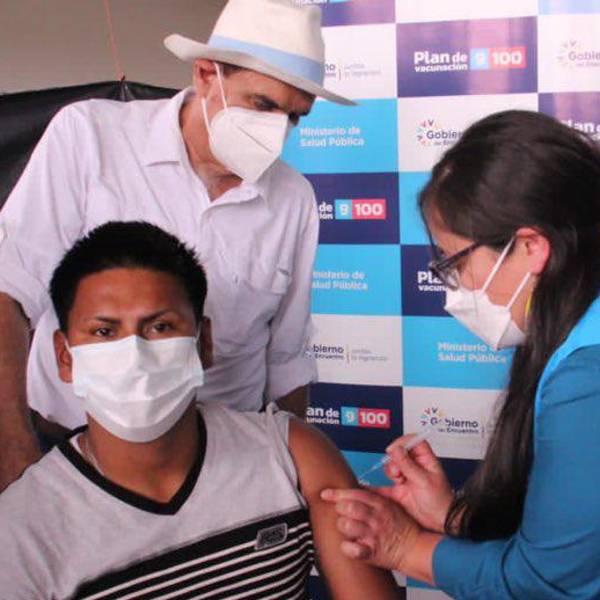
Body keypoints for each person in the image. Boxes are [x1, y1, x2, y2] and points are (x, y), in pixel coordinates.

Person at [0, 0, 355, 490]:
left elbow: (286, 356)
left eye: (295, 117)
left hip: (224, 462)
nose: (277, 132)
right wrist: (11, 441)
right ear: (206, 74)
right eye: (262, 105)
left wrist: (295, 477)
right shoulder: (89, 138)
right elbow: (9, 289)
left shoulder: (293, 199)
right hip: (70, 448)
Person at [0, 221, 398, 599]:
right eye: (104, 332)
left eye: (160, 327)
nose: (134, 355)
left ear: (203, 342)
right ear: (65, 357)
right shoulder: (21, 530)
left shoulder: (291, 454)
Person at [321, 110, 600, 598]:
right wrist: (454, 517)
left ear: (531, 247)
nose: (455, 290)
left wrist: (404, 546)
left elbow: (545, 585)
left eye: (456, 263)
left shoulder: (586, 378)